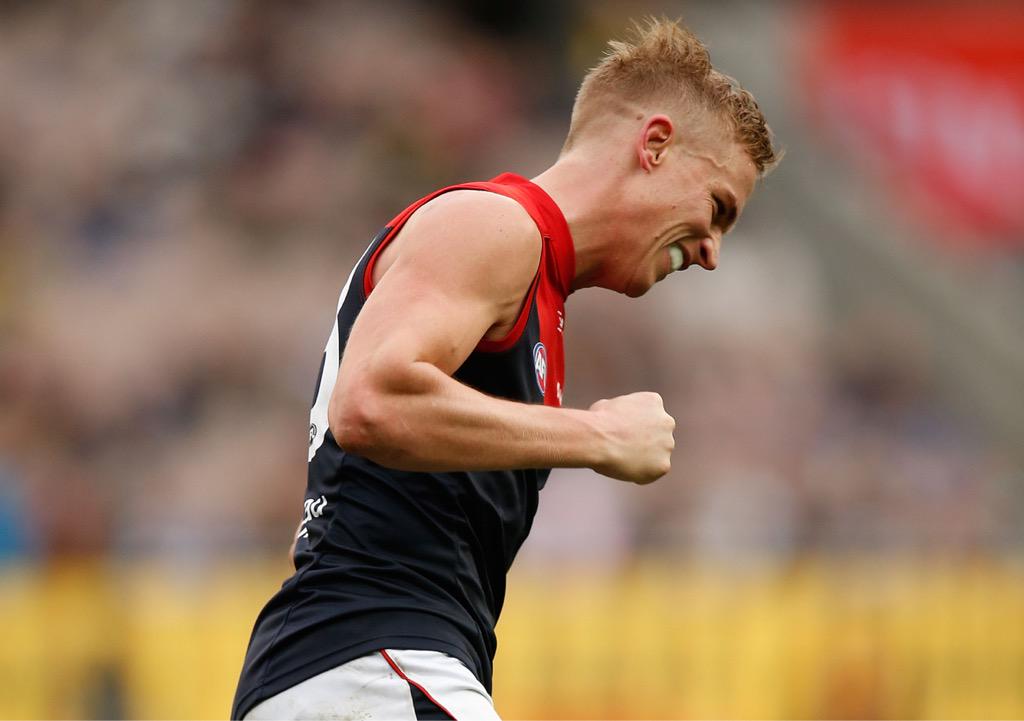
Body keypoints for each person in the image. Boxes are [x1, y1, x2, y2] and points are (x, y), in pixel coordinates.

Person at [232, 16, 778, 721]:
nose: (711, 251)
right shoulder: (497, 225)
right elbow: (369, 402)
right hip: (375, 663)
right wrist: (597, 436)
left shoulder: (532, 280)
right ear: (655, 146)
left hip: (348, 667)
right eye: (718, 208)